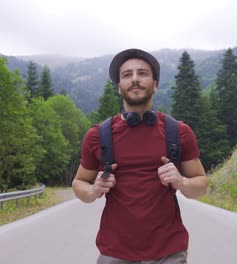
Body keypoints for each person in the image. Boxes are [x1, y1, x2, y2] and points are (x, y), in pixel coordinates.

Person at [72, 48, 209, 264]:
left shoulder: (179, 132)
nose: (135, 79)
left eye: (142, 73)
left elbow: (201, 183)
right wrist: (93, 190)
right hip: (115, 252)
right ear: (119, 87)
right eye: (127, 75)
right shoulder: (98, 135)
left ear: (155, 84)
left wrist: (181, 181)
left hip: (169, 252)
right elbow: (79, 182)